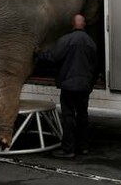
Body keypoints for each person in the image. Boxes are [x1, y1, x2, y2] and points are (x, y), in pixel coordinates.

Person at [35, 13, 98, 158]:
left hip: (69, 86)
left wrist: (38, 54)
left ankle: (68, 149)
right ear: (84, 24)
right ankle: (83, 147)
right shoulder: (91, 42)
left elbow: (53, 57)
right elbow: (95, 65)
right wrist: (90, 83)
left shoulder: (66, 40)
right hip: (84, 86)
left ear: (72, 23)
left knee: (69, 116)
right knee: (83, 115)